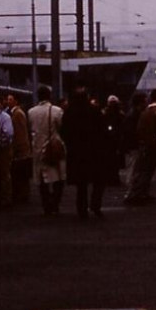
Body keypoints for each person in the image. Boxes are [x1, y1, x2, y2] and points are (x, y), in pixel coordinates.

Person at [60, 87, 108, 219]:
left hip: (77, 152)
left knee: (81, 184)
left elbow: (64, 132)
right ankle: (95, 205)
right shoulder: (94, 111)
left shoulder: (69, 112)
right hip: (94, 151)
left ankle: (82, 209)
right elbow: (103, 130)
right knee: (99, 179)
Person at [27, 85, 66, 215]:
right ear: (49, 96)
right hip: (54, 148)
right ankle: (55, 202)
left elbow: (31, 129)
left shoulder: (31, 112)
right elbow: (61, 128)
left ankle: (46, 205)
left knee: (42, 180)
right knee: (58, 177)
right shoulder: (57, 111)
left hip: (38, 149)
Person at [6, 93, 33, 204]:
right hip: (21, 148)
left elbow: (20, 132)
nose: (8, 101)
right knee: (21, 174)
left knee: (20, 173)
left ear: (16, 101)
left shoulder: (17, 114)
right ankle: (22, 195)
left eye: (10, 99)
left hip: (20, 149)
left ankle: (22, 196)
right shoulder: (15, 113)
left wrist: (18, 147)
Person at [120, 90, 147, 194]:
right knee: (133, 169)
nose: (146, 103)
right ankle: (131, 192)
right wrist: (140, 141)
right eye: (144, 101)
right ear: (140, 103)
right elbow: (131, 132)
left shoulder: (132, 114)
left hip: (133, 146)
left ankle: (133, 191)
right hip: (134, 147)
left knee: (135, 169)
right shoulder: (134, 116)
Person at [0, 97, 14, 208]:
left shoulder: (5, 117)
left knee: (5, 173)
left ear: (1, 104)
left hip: (3, 149)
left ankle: (7, 198)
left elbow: (9, 134)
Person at [102, 94, 125, 185]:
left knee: (113, 161)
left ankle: (112, 178)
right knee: (112, 161)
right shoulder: (118, 114)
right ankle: (112, 178)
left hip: (113, 140)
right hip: (111, 140)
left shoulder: (107, 113)